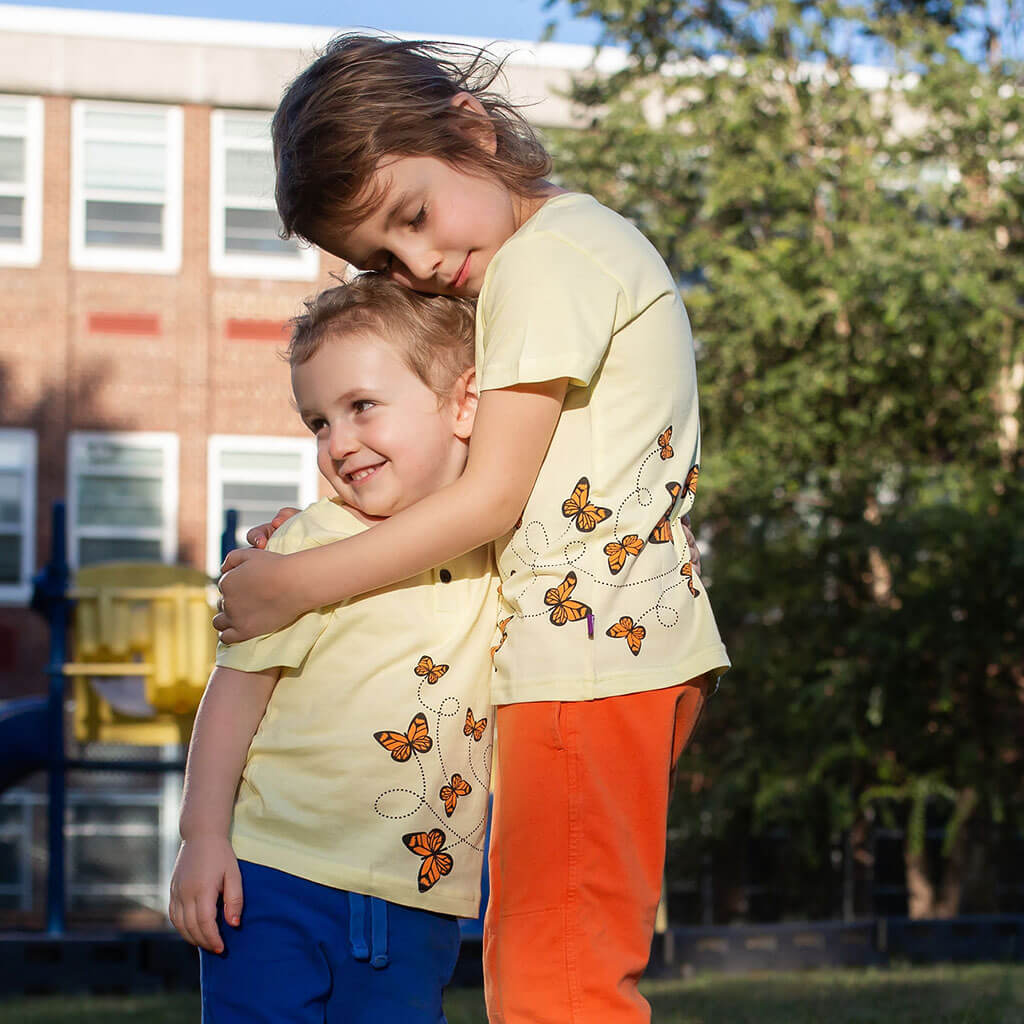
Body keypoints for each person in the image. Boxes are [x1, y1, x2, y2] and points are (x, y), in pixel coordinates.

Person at [215, 35, 731, 1024]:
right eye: (380, 257)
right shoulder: (555, 259)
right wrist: (325, 530)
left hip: (588, 665)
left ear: (471, 126)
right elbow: (487, 490)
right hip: (602, 655)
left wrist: (297, 582)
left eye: (412, 215)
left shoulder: (549, 261)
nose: (417, 264)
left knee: (557, 985)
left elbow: (489, 499)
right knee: (551, 964)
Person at [169, 275, 497, 1024]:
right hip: (272, 881)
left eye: (362, 406)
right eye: (319, 422)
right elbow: (233, 698)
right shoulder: (308, 547)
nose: (338, 443)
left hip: (419, 899)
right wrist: (202, 836)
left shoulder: (498, 551)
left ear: (464, 404)